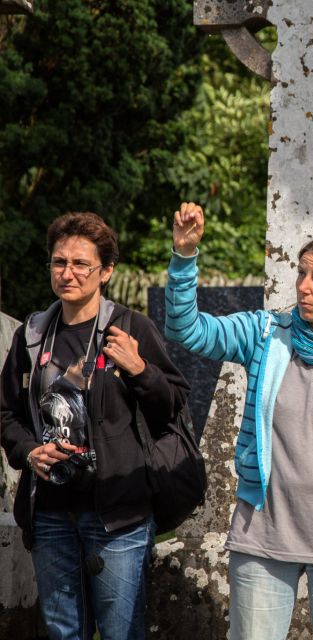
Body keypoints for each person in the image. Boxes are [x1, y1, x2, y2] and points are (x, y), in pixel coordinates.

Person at [165, 202, 313, 640]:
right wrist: (184, 256)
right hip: (262, 536)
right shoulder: (264, 335)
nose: (303, 287)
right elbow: (188, 330)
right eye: (301, 274)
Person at [1, 212, 189, 640]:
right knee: (64, 631)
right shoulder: (33, 334)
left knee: (121, 632)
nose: (68, 273)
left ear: (106, 272)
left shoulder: (131, 327)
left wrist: (140, 369)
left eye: (81, 264)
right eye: (58, 262)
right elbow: (7, 413)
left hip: (118, 514)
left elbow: (174, 405)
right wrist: (30, 452)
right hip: (49, 510)